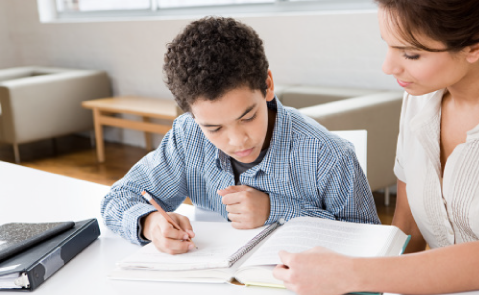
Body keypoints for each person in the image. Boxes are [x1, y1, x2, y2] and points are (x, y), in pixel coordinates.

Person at [101, 17, 380, 255]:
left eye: (247, 117)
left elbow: (370, 243)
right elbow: (118, 198)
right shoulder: (187, 136)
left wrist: (275, 210)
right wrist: (150, 223)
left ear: (267, 85)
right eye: (214, 128)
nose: (237, 141)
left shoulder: (329, 155)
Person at [273, 0, 479, 294]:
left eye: (411, 54)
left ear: (473, 46)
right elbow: (408, 226)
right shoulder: (418, 100)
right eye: (388, 45)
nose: (388, 67)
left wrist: (351, 273)